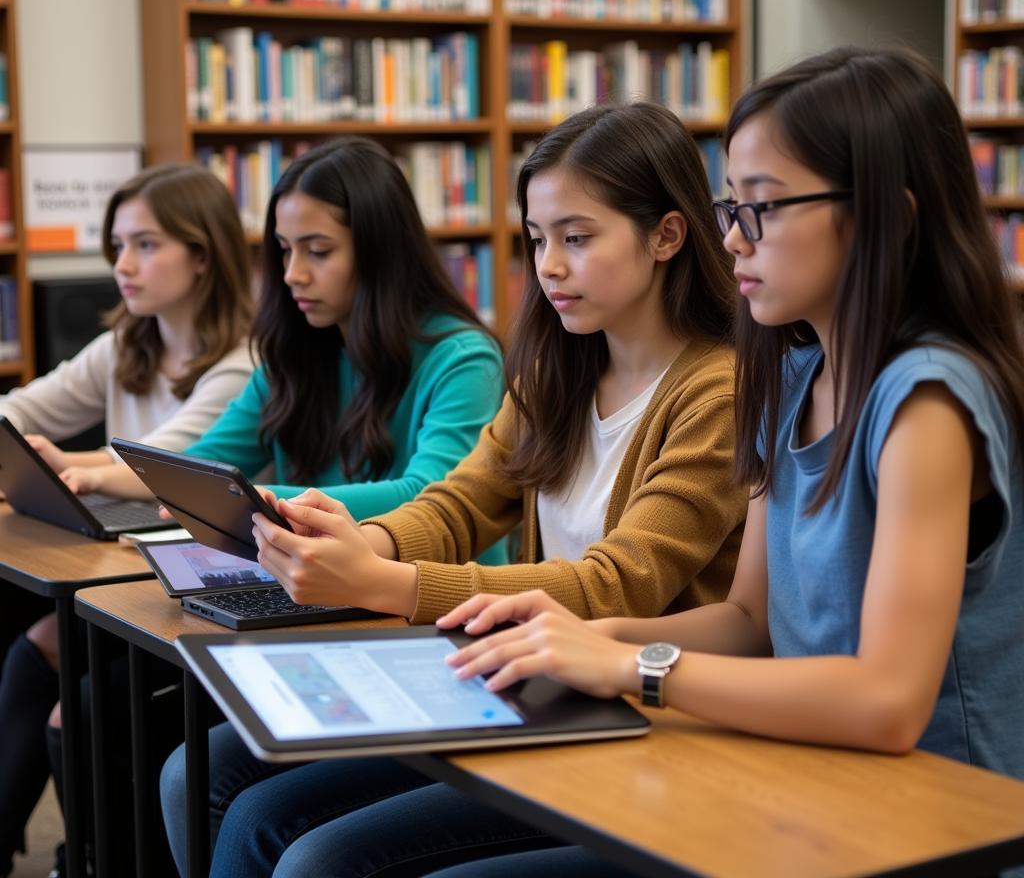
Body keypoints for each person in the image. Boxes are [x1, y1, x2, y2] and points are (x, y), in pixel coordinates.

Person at [426, 46, 1024, 878]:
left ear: (889, 215)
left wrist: (630, 662)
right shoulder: (789, 375)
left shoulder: (926, 403)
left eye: (765, 209)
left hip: (928, 828)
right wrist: (572, 637)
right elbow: (750, 625)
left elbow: (887, 703)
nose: (734, 240)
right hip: (800, 773)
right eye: (731, 207)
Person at [160, 101, 749, 877]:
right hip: (530, 682)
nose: (550, 267)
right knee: (202, 777)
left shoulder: (719, 391)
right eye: (538, 240)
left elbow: (623, 582)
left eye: (578, 238)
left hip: (632, 706)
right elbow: (463, 502)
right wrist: (361, 545)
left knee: (316, 857)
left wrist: (390, 582)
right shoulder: (558, 369)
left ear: (667, 235)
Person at [0, 163, 255, 878]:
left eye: (146, 245)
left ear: (202, 255)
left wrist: (66, 463)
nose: (123, 265)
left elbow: (166, 467)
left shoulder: (242, 364)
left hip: (187, 588)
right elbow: (24, 407)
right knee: (29, 653)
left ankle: (86, 856)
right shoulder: (127, 344)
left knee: (56, 685)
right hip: (120, 571)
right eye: (116, 245)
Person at [80, 136, 504, 515]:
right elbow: (199, 466)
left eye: (317, 251)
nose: (292, 274)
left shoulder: (463, 360)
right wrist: (88, 476)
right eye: (284, 250)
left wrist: (265, 499)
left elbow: (428, 496)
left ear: (381, 254)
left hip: (435, 594)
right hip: (322, 584)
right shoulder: (294, 356)